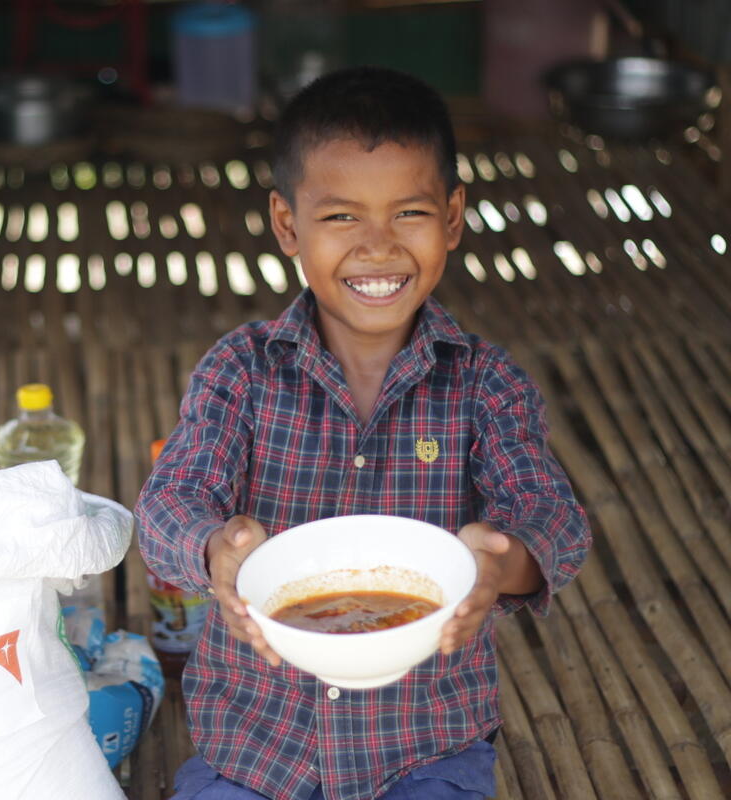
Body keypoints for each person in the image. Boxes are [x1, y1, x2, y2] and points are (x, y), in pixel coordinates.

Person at [134, 65, 591, 800]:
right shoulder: (241, 371)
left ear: (451, 219)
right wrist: (215, 549)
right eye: (342, 217)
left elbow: (555, 520)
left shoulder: (485, 382)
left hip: (427, 750)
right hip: (256, 750)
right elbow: (169, 502)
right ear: (288, 225)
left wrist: (498, 564)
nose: (377, 248)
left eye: (407, 214)